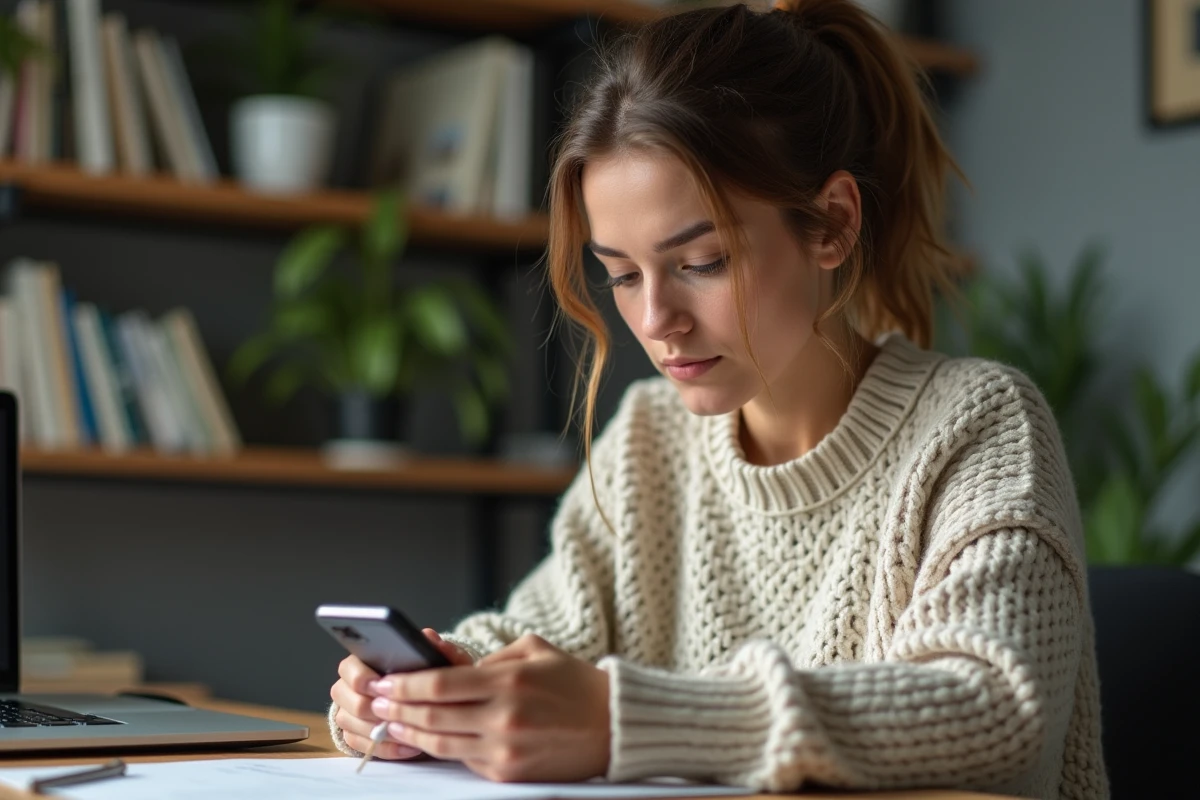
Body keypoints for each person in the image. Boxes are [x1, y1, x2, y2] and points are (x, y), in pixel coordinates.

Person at [327, 1, 1109, 797]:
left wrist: (617, 720)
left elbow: (995, 710)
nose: (655, 321)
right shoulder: (650, 440)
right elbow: (537, 633)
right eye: (623, 275)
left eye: (701, 261)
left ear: (832, 224)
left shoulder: (978, 425)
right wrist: (430, 688)